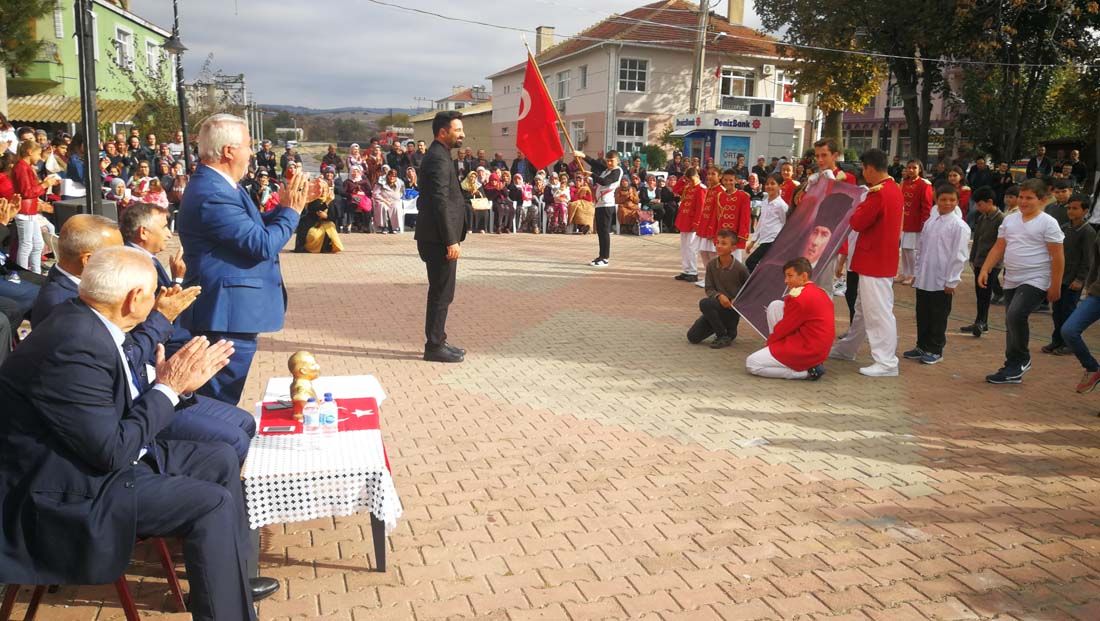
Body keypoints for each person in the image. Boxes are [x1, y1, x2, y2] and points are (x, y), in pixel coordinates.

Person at [0, 246, 271, 620]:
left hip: (100, 463)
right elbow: (112, 452)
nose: (158, 297)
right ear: (133, 299)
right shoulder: (74, 346)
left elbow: (134, 347)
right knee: (211, 502)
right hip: (69, 490)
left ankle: (229, 585)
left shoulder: (89, 319)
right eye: (153, 292)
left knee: (220, 456)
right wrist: (168, 389)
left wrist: (163, 328)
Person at [177, 113, 319, 406]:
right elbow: (261, 244)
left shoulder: (223, 185)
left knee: (222, 399)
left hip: (231, 313)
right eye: (247, 145)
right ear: (228, 150)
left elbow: (249, 228)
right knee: (216, 402)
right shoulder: (212, 192)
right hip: (224, 316)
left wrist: (292, 206)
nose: (251, 152)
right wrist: (290, 211)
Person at [978, 178, 1065, 384]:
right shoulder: (1010, 219)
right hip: (1012, 277)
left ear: (1042, 200)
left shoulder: (1048, 223)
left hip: (1036, 278)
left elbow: (1058, 257)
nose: (1024, 202)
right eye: (1021, 197)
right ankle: (1012, 367)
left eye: (1029, 198)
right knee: (1011, 319)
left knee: (1016, 314)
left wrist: (1055, 284)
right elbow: (1000, 246)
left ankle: (1021, 359)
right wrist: (985, 268)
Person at [830, 149, 904, 377]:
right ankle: (847, 348)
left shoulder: (878, 193)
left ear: (870, 168)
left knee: (877, 312)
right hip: (878, 259)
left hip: (875, 260)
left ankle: (886, 361)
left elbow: (858, 221)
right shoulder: (894, 189)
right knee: (864, 310)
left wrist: (858, 208)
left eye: (864, 168)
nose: (863, 173)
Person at [415, 111, 468, 364]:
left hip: (438, 237)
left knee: (443, 292)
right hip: (438, 240)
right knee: (441, 293)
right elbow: (439, 202)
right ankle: (434, 346)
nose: (463, 134)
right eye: (458, 130)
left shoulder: (441, 155)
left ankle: (439, 340)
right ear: (442, 132)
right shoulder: (437, 157)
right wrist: (450, 240)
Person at [902, 185, 971, 365]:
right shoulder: (930, 222)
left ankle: (935, 349)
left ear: (957, 202)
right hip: (925, 276)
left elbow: (959, 255)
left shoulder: (959, 226)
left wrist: (952, 280)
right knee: (922, 312)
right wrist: (916, 272)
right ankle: (921, 345)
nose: (947, 203)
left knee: (938, 314)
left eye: (952, 200)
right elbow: (921, 248)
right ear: (936, 200)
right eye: (943, 199)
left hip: (942, 280)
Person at [745, 257, 832, 380]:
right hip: (818, 347)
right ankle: (800, 363)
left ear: (804, 276)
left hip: (808, 349)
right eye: (786, 276)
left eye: (790, 276)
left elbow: (784, 327)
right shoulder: (820, 292)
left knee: (752, 363)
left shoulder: (799, 297)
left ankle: (806, 372)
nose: (786, 281)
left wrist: (770, 343)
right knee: (775, 306)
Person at [1041, 194, 1094, 355]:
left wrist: (1080, 279)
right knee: (1057, 311)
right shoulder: (1064, 228)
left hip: (1073, 280)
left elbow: (1088, 259)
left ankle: (1068, 343)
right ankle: (1056, 340)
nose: (1071, 211)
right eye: (1069, 208)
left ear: (1085, 211)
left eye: (1075, 208)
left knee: (1068, 311)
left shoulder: (1088, 232)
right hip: (1060, 278)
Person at [686, 230, 749, 349]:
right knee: (692, 337)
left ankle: (724, 333)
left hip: (731, 310)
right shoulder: (711, 265)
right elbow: (709, 288)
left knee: (704, 303)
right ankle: (723, 333)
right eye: (717, 242)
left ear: (733, 248)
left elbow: (749, 290)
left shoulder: (740, 269)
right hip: (716, 305)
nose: (719, 246)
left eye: (724, 243)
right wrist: (719, 296)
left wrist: (736, 300)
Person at [959, 187, 1005, 336]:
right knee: (980, 294)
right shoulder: (982, 217)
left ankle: (982, 322)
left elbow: (1001, 244)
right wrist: (972, 258)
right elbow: (977, 239)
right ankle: (979, 320)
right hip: (979, 260)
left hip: (992, 263)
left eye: (979, 204)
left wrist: (994, 262)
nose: (977, 208)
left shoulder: (1001, 219)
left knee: (985, 294)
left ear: (989, 202)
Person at [12, 140, 59, 274]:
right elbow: (26, 192)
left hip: (30, 211)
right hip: (24, 211)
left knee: (37, 244)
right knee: (26, 244)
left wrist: (43, 184)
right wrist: (44, 184)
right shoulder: (22, 167)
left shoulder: (26, 167)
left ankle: (35, 272)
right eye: (38, 154)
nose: (39, 158)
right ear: (29, 152)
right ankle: (23, 273)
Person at [574, 149, 623, 267]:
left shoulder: (617, 171)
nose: (609, 163)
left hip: (607, 205)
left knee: (605, 231)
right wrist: (583, 155)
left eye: (612, 161)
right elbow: (594, 163)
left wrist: (591, 175)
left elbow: (605, 181)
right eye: (608, 161)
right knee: (600, 231)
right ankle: (601, 256)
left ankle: (605, 258)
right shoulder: (606, 169)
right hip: (600, 204)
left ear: (617, 161)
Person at [897, 160, 933, 286]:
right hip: (904, 221)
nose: (911, 170)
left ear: (920, 169)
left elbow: (927, 206)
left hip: (915, 222)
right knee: (904, 249)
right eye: (909, 168)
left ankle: (913, 274)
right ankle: (905, 272)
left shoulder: (925, 184)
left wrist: (925, 223)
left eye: (914, 168)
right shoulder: (904, 182)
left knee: (911, 250)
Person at [745, 174, 788, 272]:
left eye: (773, 184)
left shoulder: (781, 205)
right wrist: (752, 241)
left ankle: (755, 282)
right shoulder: (764, 202)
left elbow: (784, 222)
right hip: (764, 239)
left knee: (750, 262)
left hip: (773, 240)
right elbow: (761, 222)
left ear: (780, 186)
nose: (769, 186)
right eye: (767, 184)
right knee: (764, 264)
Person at [294, 178, 344, 253]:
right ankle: (306, 247)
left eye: (324, 188)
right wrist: (326, 203)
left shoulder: (332, 199)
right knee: (312, 232)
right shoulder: (313, 199)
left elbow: (336, 216)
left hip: (325, 222)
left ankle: (326, 247)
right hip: (312, 223)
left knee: (330, 226)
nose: (322, 190)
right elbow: (315, 210)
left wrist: (326, 217)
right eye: (320, 188)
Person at [674, 167, 705, 282]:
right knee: (684, 247)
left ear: (697, 177)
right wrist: (683, 178)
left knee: (691, 247)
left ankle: (693, 271)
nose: (690, 182)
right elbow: (676, 189)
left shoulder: (701, 189)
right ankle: (686, 270)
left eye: (691, 180)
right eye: (688, 180)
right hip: (684, 220)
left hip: (692, 222)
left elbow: (700, 207)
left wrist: (697, 222)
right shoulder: (688, 187)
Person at [373, 167, 404, 234]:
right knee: (383, 207)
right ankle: (384, 227)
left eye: (394, 176)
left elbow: (401, 193)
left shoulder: (399, 183)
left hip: (394, 201)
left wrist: (394, 200)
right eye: (390, 176)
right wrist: (384, 200)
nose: (392, 178)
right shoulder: (381, 182)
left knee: (396, 207)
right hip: (382, 200)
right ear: (388, 175)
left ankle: (395, 227)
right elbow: (375, 194)